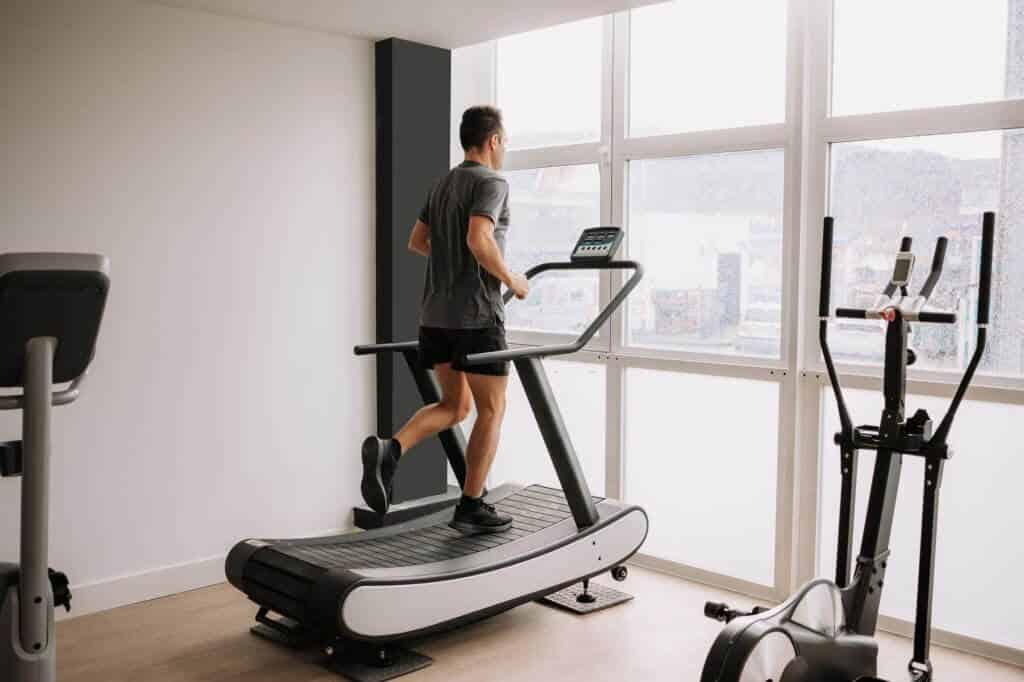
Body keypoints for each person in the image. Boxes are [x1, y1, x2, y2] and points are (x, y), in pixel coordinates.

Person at [361, 105, 529, 534]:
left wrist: (452, 259)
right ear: (493, 140)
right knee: (491, 409)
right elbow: (479, 237)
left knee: (455, 406)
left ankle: (392, 448)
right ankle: (471, 505)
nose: (504, 148)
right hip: (477, 318)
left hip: (434, 315)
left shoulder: (442, 183)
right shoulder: (492, 181)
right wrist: (512, 278)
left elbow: (417, 241)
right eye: (504, 140)